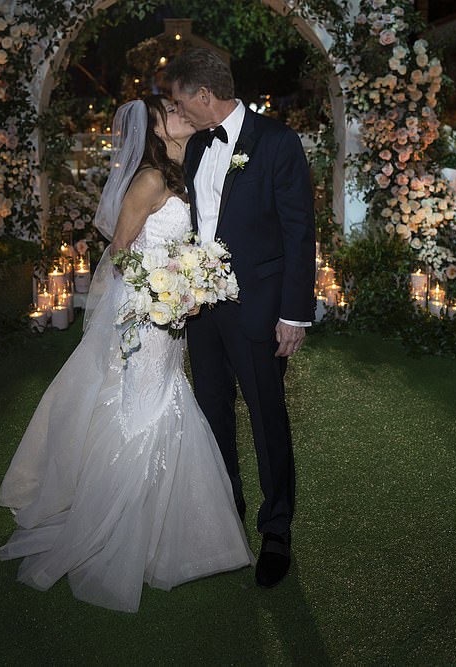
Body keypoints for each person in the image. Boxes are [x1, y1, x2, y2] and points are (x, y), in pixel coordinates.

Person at [0, 95, 253, 613]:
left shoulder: (183, 172)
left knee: (164, 397)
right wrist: (160, 294)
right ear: (156, 130)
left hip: (170, 306)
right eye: (172, 112)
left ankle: (168, 528)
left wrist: (189, 283)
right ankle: (117, 525)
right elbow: (119, 250)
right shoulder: (150, 180)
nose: (183, 114)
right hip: (146, 309)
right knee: (143, 405)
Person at [165, 49, 316, 589]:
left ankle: (277, 529)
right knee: (212, 414)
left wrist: (294, 315)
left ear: (205, 96)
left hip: (258, 309)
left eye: (182, 101)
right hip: (201, 310)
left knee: (267, 418)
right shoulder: (198, 145)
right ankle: (224, 509)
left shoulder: (277, 141)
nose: (177, 111)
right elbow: (198, 225)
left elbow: (300, 233)